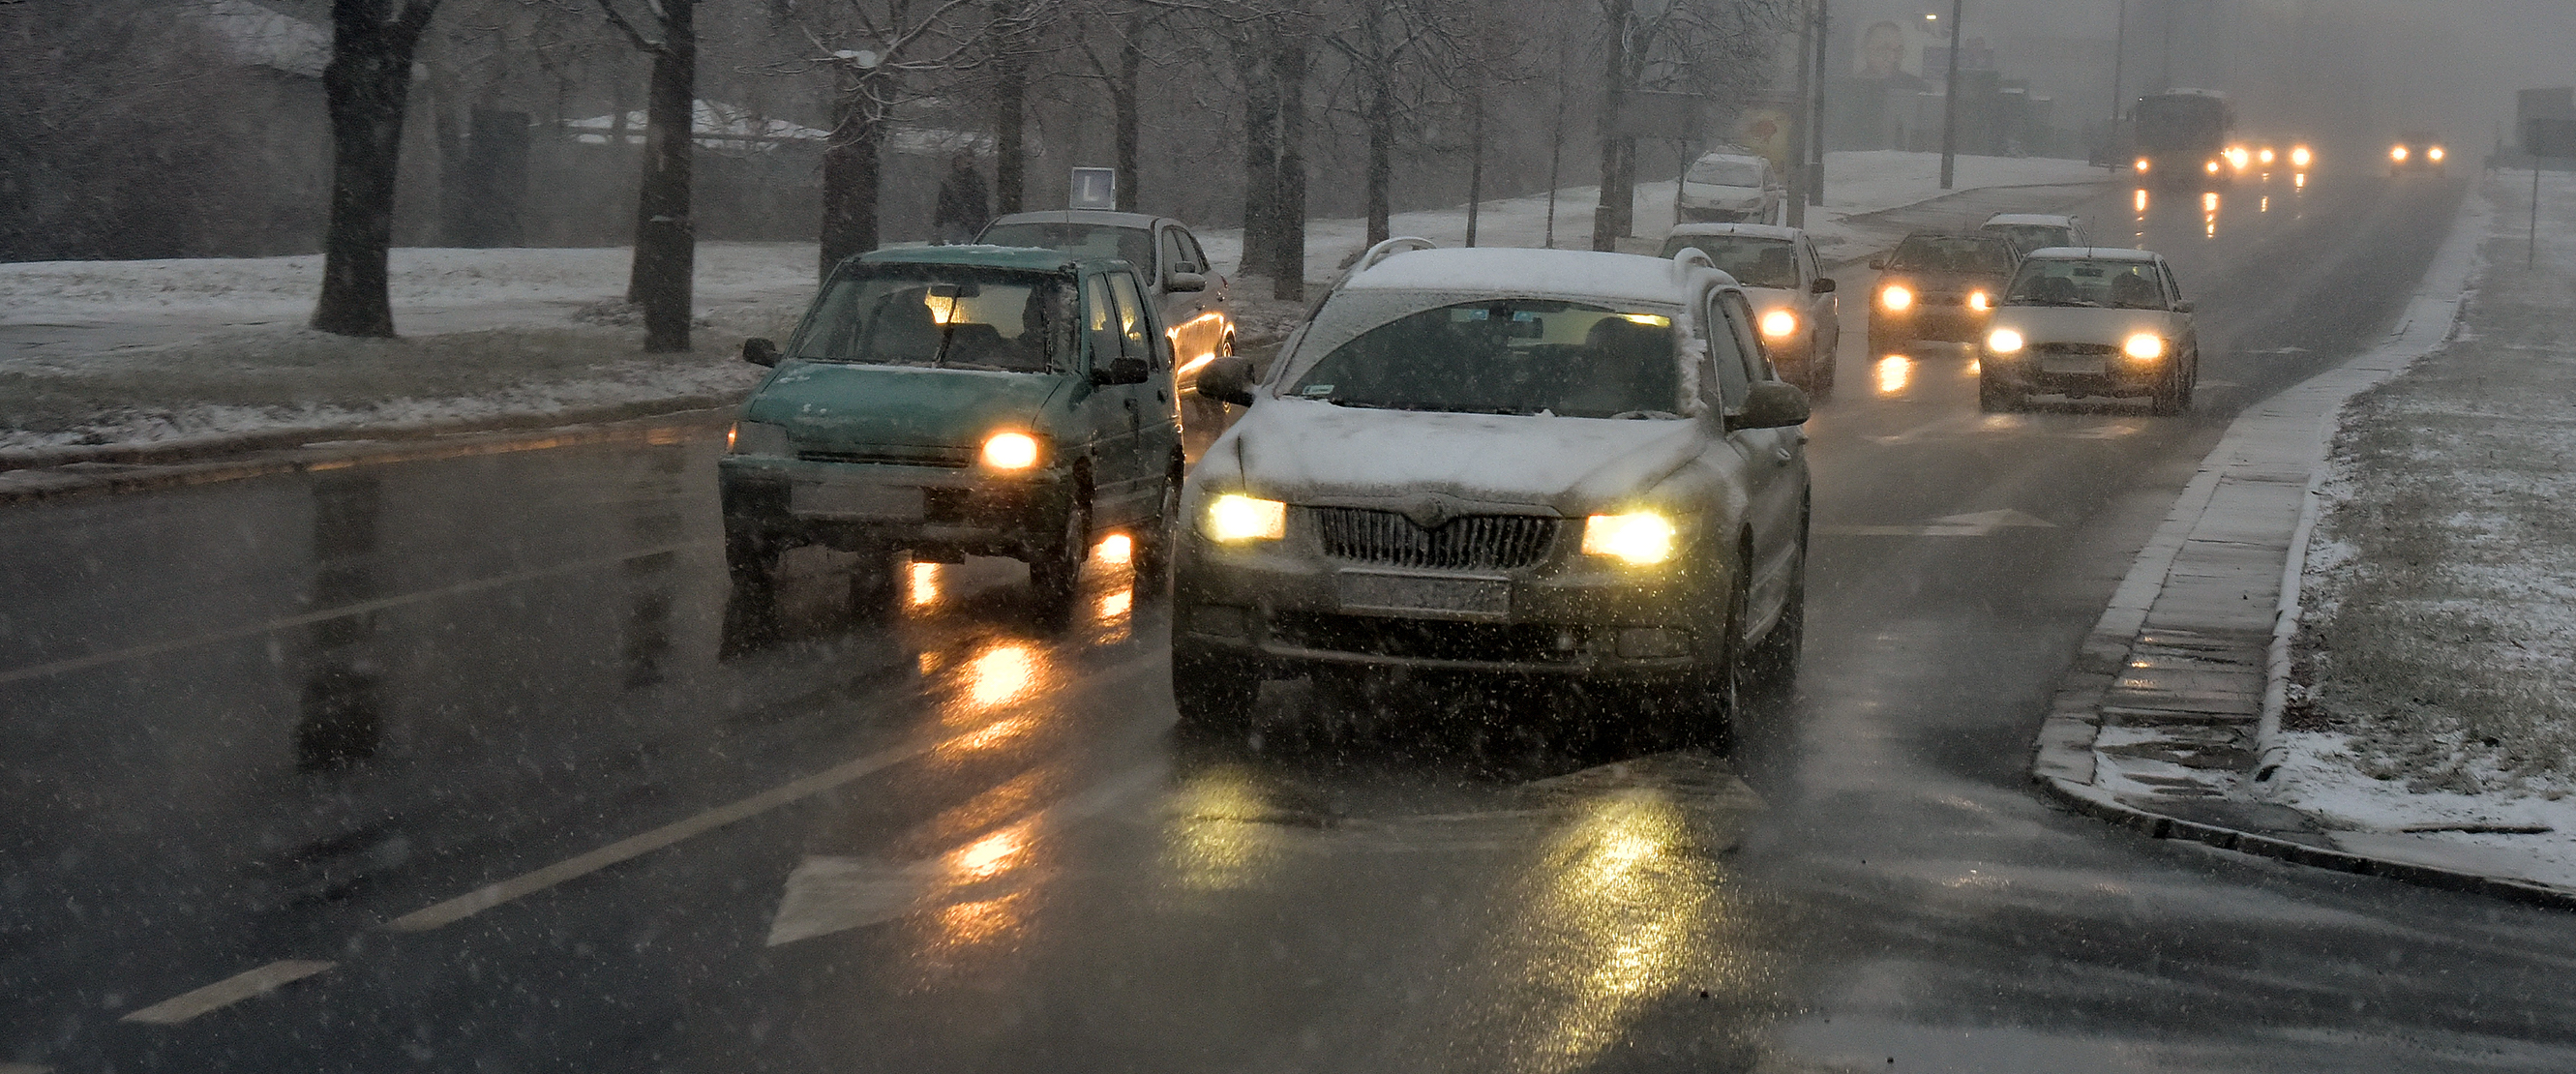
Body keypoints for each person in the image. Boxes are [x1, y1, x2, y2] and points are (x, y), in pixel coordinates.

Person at [933, 150, 989, 245]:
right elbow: (943, 201)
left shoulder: (976, 179)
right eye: (959, 160)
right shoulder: (950, 180)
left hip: (972, 221)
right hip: (957, 220)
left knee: (969, 244)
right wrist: (938, 222)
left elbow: (981, 201)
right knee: (957, 244)